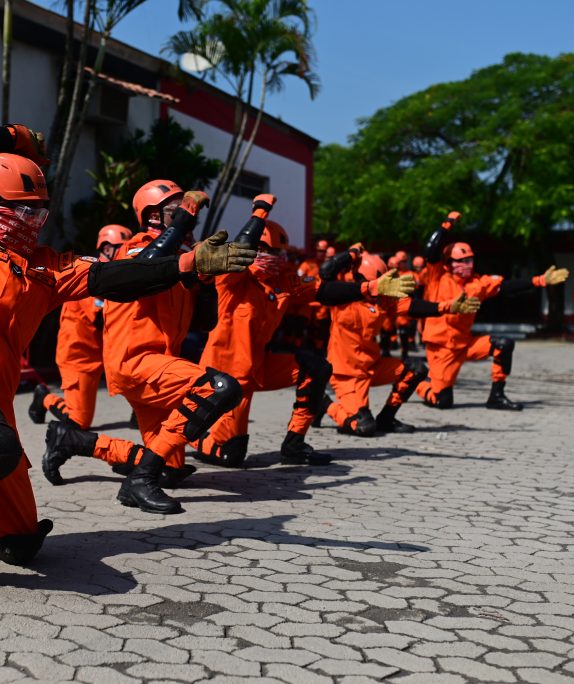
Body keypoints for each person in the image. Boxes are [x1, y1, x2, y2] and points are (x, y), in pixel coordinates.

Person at [0, 122, 255, 599]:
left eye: (38, 212)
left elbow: (115, 277)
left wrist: (186, 264)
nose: (31, 221)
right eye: (21, 210)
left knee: (19, 542)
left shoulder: (44, 269)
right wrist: (11, 136)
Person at [39, 179, 257, 511]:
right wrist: (184, 225)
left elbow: (205, 320)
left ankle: (76, 441)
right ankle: (138, 481)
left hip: (161, 365)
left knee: (169, 469)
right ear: (153, 215)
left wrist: (204, 278)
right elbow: (147, 267)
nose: (187, 216)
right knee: (219, 389)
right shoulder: (132, 249)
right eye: (176, 210)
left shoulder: (183, 256)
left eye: (187, 211)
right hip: (135, 362)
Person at [194, 219, 417, 466]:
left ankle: (294, 445)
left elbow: (323, 290)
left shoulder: (282, 281)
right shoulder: (232, 277)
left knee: (315, 368)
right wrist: (260, 211)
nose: (274, 257)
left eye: (278, 252)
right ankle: (189, 435)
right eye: (267, 250)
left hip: (259, 365)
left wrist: (370, 287)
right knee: (231, 454)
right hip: (226, 375)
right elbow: (239, 248)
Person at [413, 211, 569, 411]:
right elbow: (431, 250)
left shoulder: (478, 283)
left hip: (465, 344)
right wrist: (446, 225)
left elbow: (506, 287)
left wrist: (540, 280)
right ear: (448, 263)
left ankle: (496, 396)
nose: (467, 265)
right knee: (443, 401)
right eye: (461, 261)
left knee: (503, 345)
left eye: (470, 260)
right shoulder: (437, 277)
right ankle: (418, 382)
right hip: (441, 348)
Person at [319, 249, 480, 436]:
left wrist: (448, 307)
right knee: (364, 427)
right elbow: (326, 274)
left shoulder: (382, 300)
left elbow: (412, 306)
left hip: (372, 366)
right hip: (346, 374)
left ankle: (387, 418)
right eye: (375, 283)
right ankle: (324, 404)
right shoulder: (340, 297)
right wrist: (352, 253)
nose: (378, 289)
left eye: (382, 284)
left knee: (416, 369)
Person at [28, 224, 133, 429]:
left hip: (101, 355)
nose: (127, 255)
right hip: (78, 357)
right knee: (79, 421)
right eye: (123, 249)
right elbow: (101, 317)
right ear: (107, 248)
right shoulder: (90, 275)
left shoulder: (114, 277)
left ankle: (140, 412)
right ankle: (45, 398)